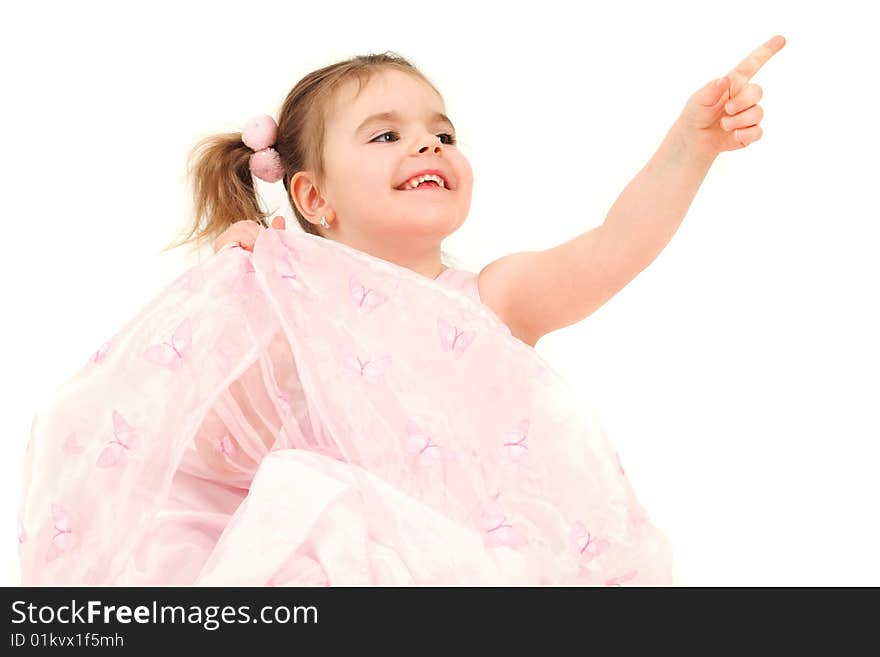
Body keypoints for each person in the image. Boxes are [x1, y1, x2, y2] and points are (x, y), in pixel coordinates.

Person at [17, 38, 784, 586]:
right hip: (346, 572)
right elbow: (191, 431)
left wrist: (691, 146)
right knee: (307, 496)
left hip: (465, 566)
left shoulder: (493, 298)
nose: (428, 146)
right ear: (315, 198)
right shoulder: (286, 305)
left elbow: (615, 246)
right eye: (388, 135)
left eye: (442, 132)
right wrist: (240, 293)